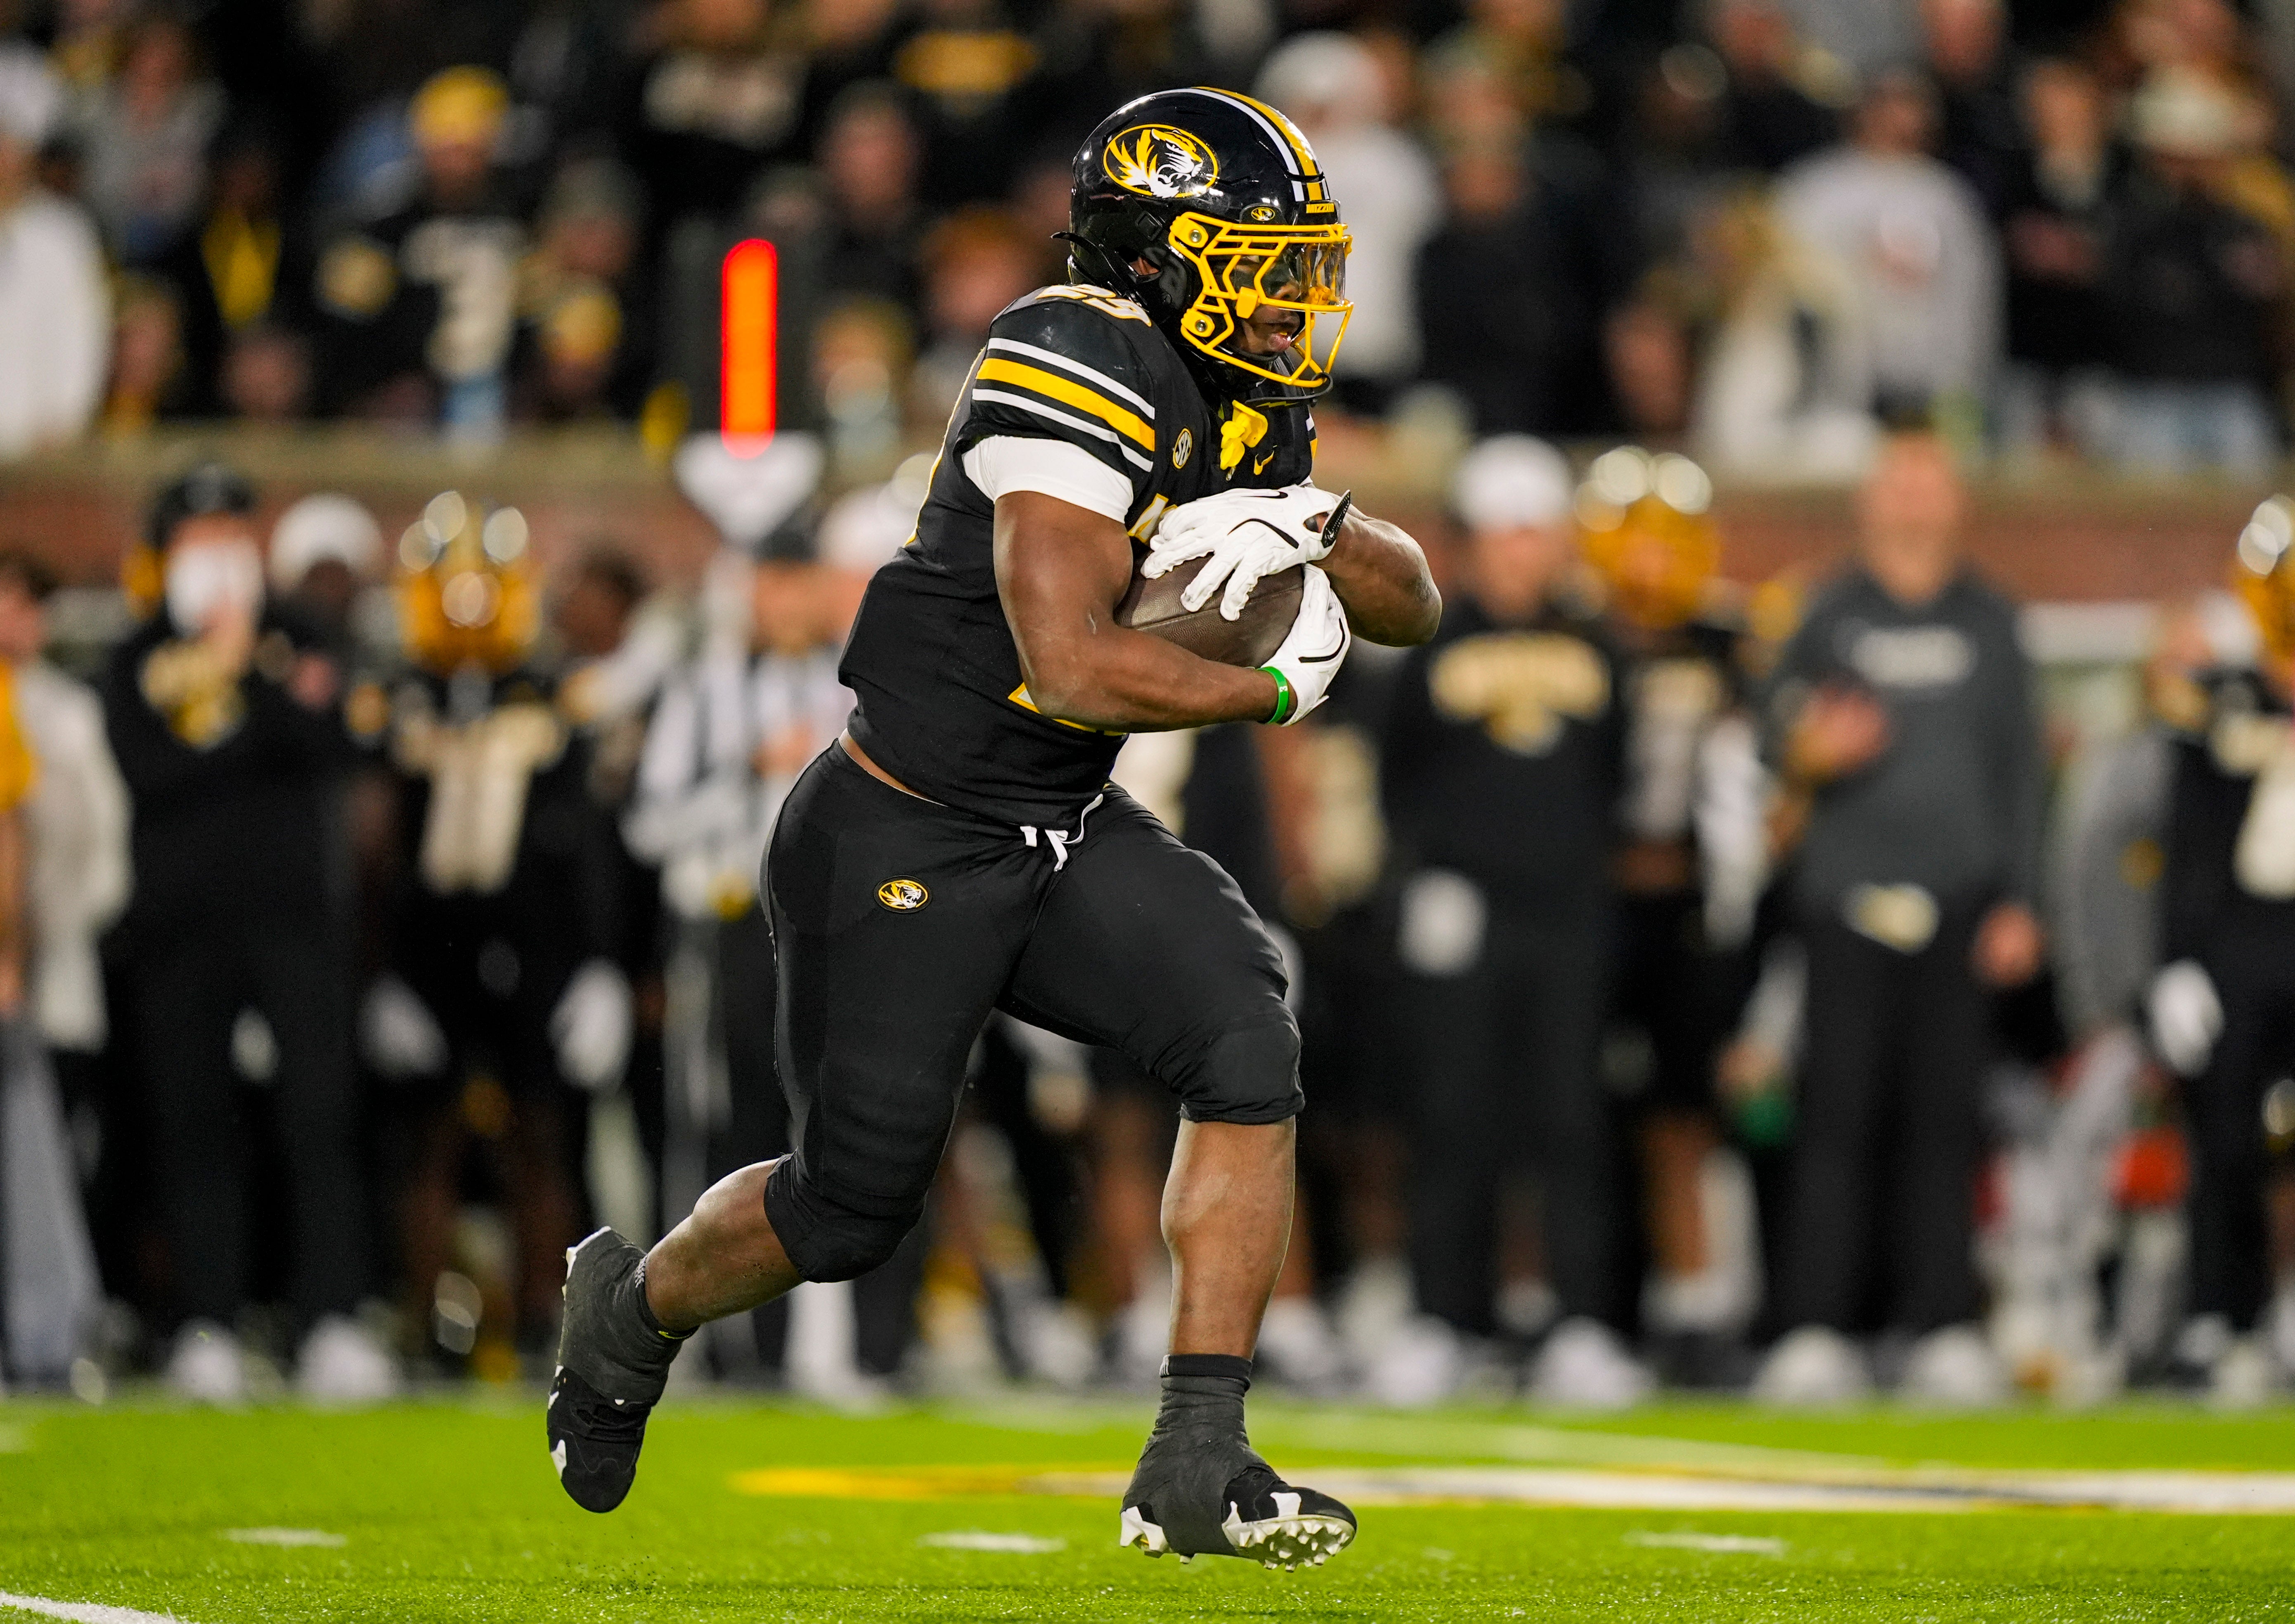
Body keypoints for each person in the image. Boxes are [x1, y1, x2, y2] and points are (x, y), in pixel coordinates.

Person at [549, 89, 1439, 1570]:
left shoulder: (1244, 396)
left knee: (1246, 1038)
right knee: (844, 1210)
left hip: (1056, 824)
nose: (1291, 296)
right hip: (904, 828)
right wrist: (1272, 682)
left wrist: (1324, 526)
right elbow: (1071, 662)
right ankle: (628, 1309)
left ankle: (1197, 1455)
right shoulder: (1071, 345)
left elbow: (1414, 605)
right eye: (1256, 258)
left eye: (1301, 263)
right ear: (1157, 253)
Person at [1753, 430, 2044, 1406]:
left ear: (1957, 499)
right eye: (1899, 481)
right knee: (1834, 1120)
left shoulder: (1993, 619)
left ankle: (1942, 1326)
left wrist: (2019, 899)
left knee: (1944, 1123)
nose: (1916, 500)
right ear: (1869, 498)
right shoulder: (1824, 613)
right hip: (1843, 901)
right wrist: (1809, 753)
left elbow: (2023, 772)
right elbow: (1768, 739)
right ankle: (1816, 1327)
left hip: (1960, 907)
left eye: (1932, 481)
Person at [101, 462, 393, 1403]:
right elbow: (147, 774)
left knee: (319, 1117)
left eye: (233, 533)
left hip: (294, 922)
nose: (218, 554)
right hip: (182, 926)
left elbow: (340, 743)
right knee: (191, 1123)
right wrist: (258, 702)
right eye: (199, 538)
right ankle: (207, 1320)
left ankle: (333, 1319)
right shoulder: (135, 651)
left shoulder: (301, 633)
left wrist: (247, 685)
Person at [1373, 435, 1646, 1410]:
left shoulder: (1600, 646)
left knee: (1572, 1118)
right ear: (1474, 544)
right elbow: (1395, 779)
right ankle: (1446, 1319)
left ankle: (1580, 1321)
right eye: (1504, 534)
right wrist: (1426, 881)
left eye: (1535, 533)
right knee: (1454, 1118)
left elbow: (1616, 778)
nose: (1521, 553)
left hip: (1569, 910)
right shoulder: (1424, 646)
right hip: (1464, 911)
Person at [364, 492, 632, 1369]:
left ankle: (542, 1324)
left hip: (538, 948)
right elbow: (376, 854)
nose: (469, 601)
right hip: (429, 950)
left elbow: (590, 843)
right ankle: (424, 1328)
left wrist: (600, 965)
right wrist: (379, 971)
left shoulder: (553, 693)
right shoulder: (396, 697)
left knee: (541, 1137)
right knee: (427, 1141)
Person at [2146, 502, 2295, 1403]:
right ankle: (2216, 1311)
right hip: (2239, 934)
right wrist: (2174, 960)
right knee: (2224, 1130)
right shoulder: (2224, 695)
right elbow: (2185, 836)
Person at [1777, 66, 2001, 429]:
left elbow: (1972, 299)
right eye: (1890, 104)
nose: (1902, 118)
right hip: (1832, 392)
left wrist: (1965, 387)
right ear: (1862, 110)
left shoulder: (1948, 197)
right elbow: (1791, 292)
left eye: (1913, 105)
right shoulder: (1815, 191)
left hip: (1929, 390)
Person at [0, 49, 109, 460]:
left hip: (38, 448)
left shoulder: (64, 233)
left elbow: (81, 333)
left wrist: (65, 421)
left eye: (10, 145)